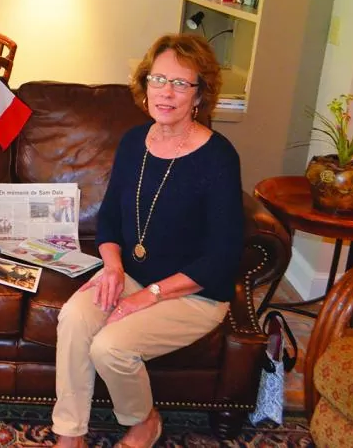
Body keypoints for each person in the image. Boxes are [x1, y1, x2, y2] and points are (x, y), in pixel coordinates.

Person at [52, 33, 244, 448]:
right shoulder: (133, 141)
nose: (166, 92)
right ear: (145, 84)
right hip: (132, 275)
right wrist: (113, 267)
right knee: (75, 317)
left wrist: (150, 294)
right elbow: (109, 220)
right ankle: (70, 432)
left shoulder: (219, 157)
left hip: (194, 293)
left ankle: (145, 421)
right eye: (158, 80)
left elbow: (223, 257)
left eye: (180, 83)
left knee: (111, 347)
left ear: (199, 94)